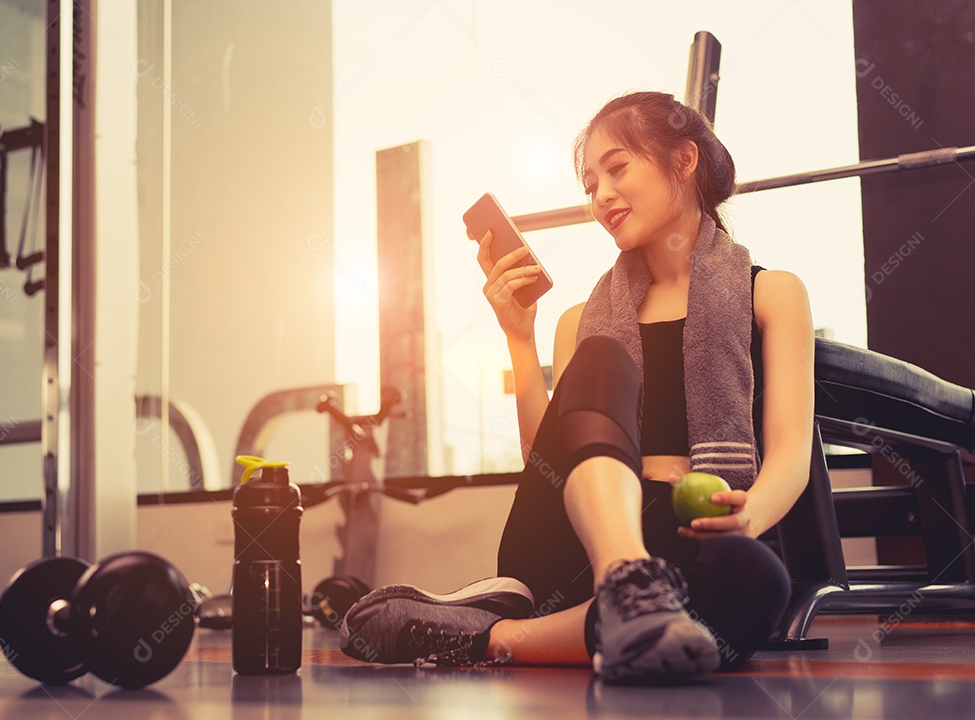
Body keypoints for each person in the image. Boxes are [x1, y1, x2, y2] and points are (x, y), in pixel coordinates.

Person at [340, 91, 814, 683]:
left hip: (692, 531)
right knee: (602, 356)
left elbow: (791, 452)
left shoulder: (770, 293)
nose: (601, 197)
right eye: (590, 185)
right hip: (574, 541)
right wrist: (520, 338)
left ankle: (493, 637)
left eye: (617, 169)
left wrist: (751, 517)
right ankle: (626, 577)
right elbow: (549, 462)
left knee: (756, 581)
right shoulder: (582, 323)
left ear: (685, 160)